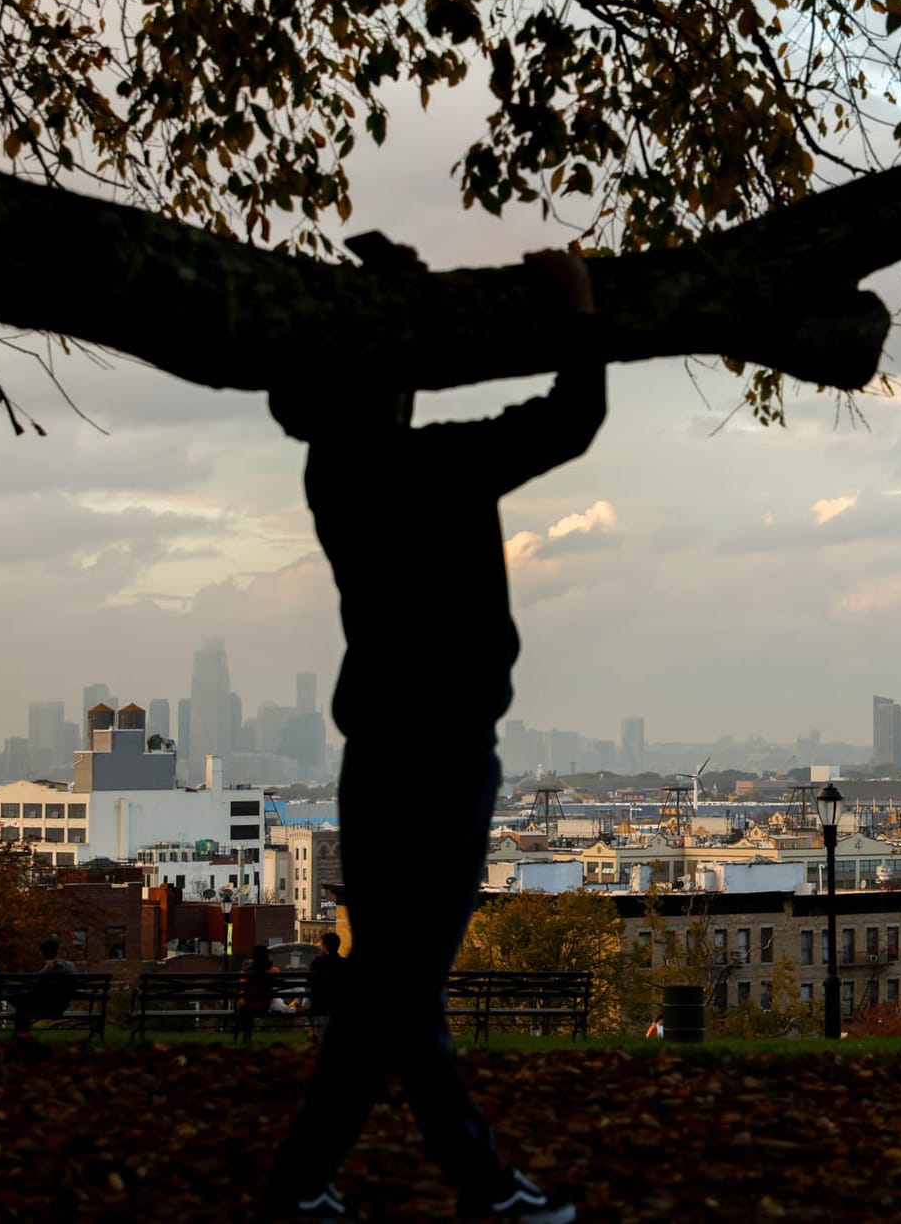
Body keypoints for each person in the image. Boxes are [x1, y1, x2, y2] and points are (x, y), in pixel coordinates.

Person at [263, 246, 598, 1224]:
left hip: (377, 757)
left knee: (390, 986)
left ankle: (309, 1180)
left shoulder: (334, 474)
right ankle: (482, 1184)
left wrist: (389, 296)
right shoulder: (442, 464)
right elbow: (573, 417)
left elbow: (375, 377)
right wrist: (575, 305)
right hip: (446, 754)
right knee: (403, 989)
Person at [12, 938, 79, 1037]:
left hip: (45, 1006)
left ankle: (21, 1035)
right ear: (57, 951)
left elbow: (35, 981)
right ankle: (22, 1035)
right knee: (21, 1000)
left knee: (20, 1002)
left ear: (43, 953)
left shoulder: (49, 969)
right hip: (61, 1005)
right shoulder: (71, 966)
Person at [307, 933, 349, 1023]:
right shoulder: (344, 962)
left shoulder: (317, 962)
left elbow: (310, 981)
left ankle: (313, 1033)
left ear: (325, 946)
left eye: (321, 944)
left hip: (320, 1004)